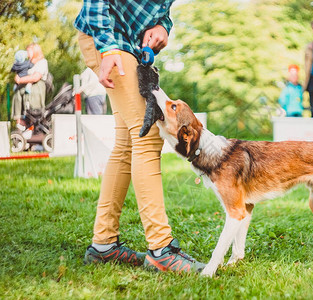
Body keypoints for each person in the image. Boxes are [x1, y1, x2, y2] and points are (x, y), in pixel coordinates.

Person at [74, 0, 205, 273]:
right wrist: (107, 47)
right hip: (108, 37)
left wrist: (162, 27)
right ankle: (160, 249)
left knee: (127, 144)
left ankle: (103, 246)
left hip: (127, 46)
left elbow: (162, 11)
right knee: (146, 136)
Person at [11, 43, 48, 124]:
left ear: (35, 51)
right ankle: (20, 123)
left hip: (36, 90)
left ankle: (31, 127)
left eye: (28, 51)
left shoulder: (42, 62)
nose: (27, 54)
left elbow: (35, 77)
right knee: (18, 94)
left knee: (30, 102)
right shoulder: (27, 63)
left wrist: (20, 80)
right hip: (24, 90)